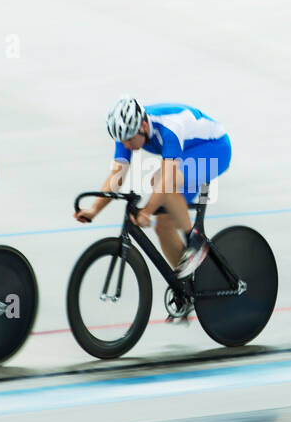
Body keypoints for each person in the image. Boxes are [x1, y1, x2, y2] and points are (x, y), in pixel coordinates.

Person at [75, 98, 232, 313]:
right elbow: (117, 175)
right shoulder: (128, 131)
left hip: (215, 148)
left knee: (159, 181)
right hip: (190, 154)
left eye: (129, 140)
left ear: (144, 126)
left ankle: (195, 242)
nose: (127, 146)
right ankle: (188, 289)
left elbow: (167, 180)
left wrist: (147, 211)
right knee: (163, 227)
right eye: (123, 142)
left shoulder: (169, 127)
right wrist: (94, 209)